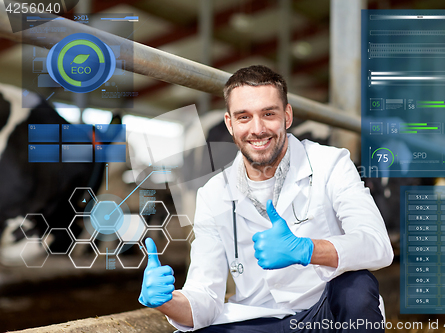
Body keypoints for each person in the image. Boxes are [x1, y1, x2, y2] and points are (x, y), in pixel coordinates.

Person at [139, 65, 394, 332]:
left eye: (268, 114)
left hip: (324, 312)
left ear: (287, 116)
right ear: (230, 124)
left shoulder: (331, 164)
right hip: (257, 320)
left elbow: (377, 245)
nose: (257, 129)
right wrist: (167, 302)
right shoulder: (214, 194)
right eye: (244, 117)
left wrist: (307, 249)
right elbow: (205, 296)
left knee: (356, 287)